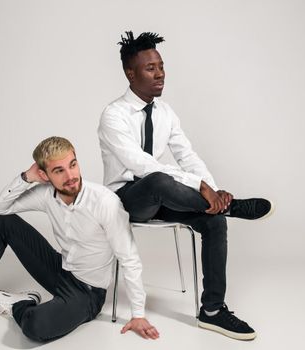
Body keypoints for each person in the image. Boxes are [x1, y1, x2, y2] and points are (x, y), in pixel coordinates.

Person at [97, 31, 274, 341]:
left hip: (165, 195)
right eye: (150, 67)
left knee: (214, 220)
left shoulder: (166, 113)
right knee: (159, 179)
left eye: (161, 66)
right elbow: (141, 164)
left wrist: (214, 193)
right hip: (126, 200)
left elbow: (187, 156)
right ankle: (233, 207)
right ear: (130, 72)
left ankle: (213, 312)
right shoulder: (113, 115)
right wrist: (199, 185)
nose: (160, 73)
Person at [0, 136, 159, 341]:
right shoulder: (46, 194)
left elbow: (129, 258)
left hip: (87, 293)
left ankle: (19, 305)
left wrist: (138, 314)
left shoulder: (105, 202)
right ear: (45, 174)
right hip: (60, 269)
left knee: (36, 327)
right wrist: (25, 178)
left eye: (73, 164)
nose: (70, 176)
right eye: (59, 170)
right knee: (3, 223)